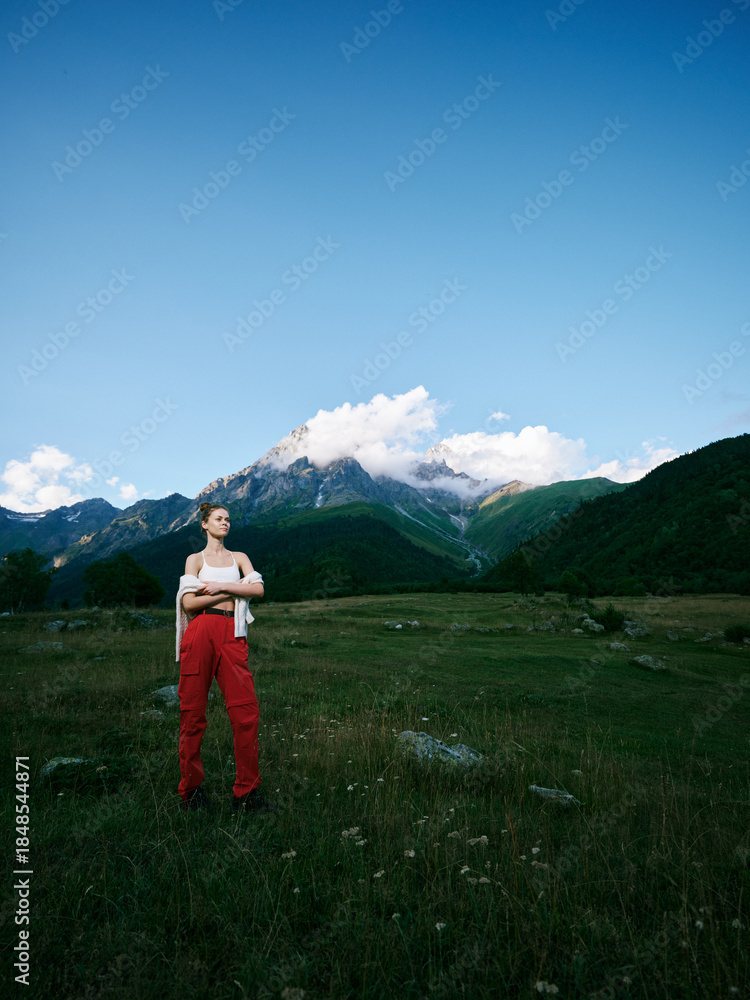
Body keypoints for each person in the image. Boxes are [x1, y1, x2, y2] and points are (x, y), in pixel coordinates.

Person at [175, 502, 275, 813]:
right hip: (202, 629)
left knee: (246, 713)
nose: (225, 523)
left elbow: (257, 589)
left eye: (228, 519)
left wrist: (220, 587)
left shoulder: (240, 557)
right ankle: (190, 791)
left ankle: (246, 794)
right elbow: (190, 603)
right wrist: (232, 590)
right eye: (219, 519)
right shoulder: (195, 559)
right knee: (192, 715)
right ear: (204, 524)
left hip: (233, 633)